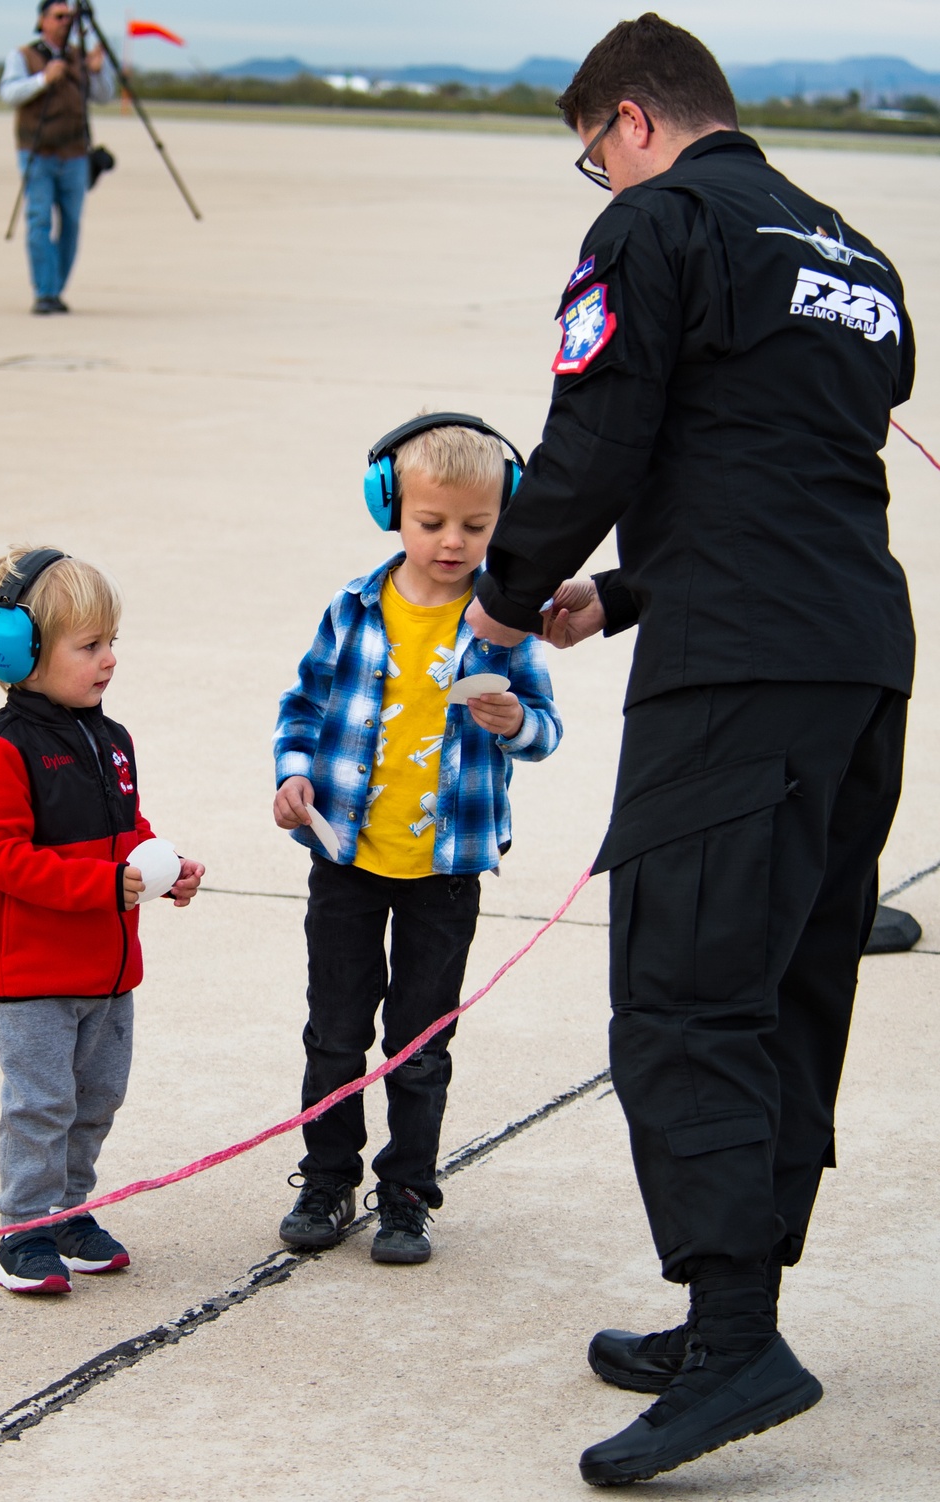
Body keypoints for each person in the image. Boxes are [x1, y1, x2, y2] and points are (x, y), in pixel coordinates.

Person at [464, 13, 915, 1488]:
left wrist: (511, 591)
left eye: (594, 157)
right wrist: (629, 590)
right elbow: (775, 454)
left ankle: (735, 1343)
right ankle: (738, 1309)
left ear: (635, 124)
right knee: (785, 981)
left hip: (735, 676)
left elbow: (594, 434)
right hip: (853, 654)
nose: (601, 182)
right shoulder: (847, 246)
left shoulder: (656, 225)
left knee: (684, 992)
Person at [273, 416, 562, 1264]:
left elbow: (546, 732)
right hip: (348, 860)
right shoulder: (353, 610)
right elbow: (305, 707)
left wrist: (515, 723)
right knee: (333, 1031)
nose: (453, 541)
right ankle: (327, 1179)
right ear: (390, 509)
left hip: (444, 872)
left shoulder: (508, 623)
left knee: (421, 1040)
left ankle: (405, 1193)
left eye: (476, 526)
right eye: (432, 522)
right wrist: (292, 777)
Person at [0, 547, 205, 1295]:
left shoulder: (110, 736)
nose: (109, 660)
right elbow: (5, 861)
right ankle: (22, 1230)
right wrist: (107, 885)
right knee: (41, 1104)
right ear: (21, 652)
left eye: (112, 642)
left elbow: (126, 825)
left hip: (107, 969)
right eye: (90, 646)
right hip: (33, 978)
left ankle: (69, 1210)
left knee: (95, 1099)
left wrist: (162, 867)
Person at [0, 2, 115, 314]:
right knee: (39, 218)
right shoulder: (23, 55)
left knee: (72, 223)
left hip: (75, 154)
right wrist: (43, 80)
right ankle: (45, 291)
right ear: (43, 20)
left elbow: (104, 96)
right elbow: (8, 94)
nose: (66, 22)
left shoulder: (80, 57)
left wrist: (98, 70)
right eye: (59, 16)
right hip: (37, 152)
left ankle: (55, 288)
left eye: (70, 17)